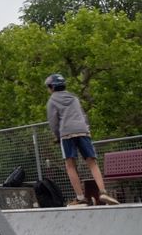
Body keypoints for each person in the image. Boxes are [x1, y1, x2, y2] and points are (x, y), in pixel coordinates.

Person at [45, 74, 118, 206]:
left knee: (70, 165)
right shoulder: (74, 98)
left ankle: (80, 198)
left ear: (51, 87)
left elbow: (53, 121)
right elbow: (82, 114)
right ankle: (103, 192)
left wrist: (57, 136)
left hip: (67, 133)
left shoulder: (52, 101)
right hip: (83, 130)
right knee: (93, 163)